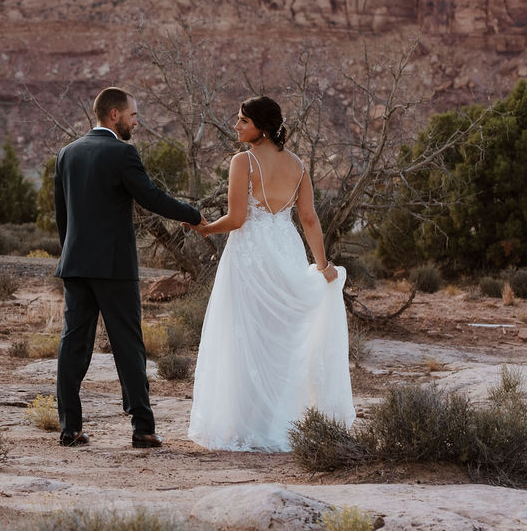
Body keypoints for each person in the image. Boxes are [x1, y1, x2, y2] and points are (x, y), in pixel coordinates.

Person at [187, 95, 355, 451]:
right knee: (281, 340)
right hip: (287, 249)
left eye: (242, 121)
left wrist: (206, 228)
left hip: (250, 255)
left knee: (244, 337)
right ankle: (280, 423)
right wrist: (322, 265)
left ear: (261, 127)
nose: (236, 126)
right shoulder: (298, 165)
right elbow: (309, 219)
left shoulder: (243, 161)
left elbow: (236, 219)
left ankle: (246, 425)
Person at [54, 87, 205, 449]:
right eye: (133, 115)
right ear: (114, 116)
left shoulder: (67, 153)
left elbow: (63, 216)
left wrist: (72, 254)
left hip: (75, 264)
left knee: (73, 345)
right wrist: (193, 216)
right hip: (115, 268)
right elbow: (150, 196)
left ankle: (69, 428)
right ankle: (142, 428)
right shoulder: (123, 153)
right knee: (128, 346)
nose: (137, 122)